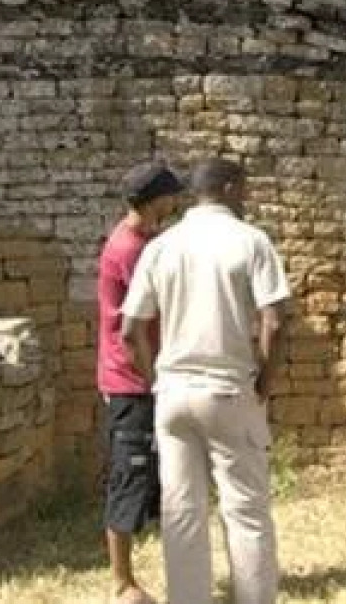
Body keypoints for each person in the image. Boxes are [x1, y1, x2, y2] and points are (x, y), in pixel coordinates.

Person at [122, 158, 290, 604]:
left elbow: (130, 328)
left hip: (174, 392)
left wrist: (155, 375)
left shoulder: (162, 246)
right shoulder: (251, 240)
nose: (247, 197)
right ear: (230, 187)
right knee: (246, 510)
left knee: (182, 513)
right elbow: (274, 319)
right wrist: (265, 383)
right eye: (245, 189)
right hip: (230, 386)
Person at [97, 163, 186, 604]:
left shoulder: (146, 242)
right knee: (128, 475)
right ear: (156, 201)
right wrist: (154, 382)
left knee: (152, 476)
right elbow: (134, 328)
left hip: (143, 375)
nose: (176, 204)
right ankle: (122, 583)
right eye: (171, 197)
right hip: (132, 380)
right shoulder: (130, 249)